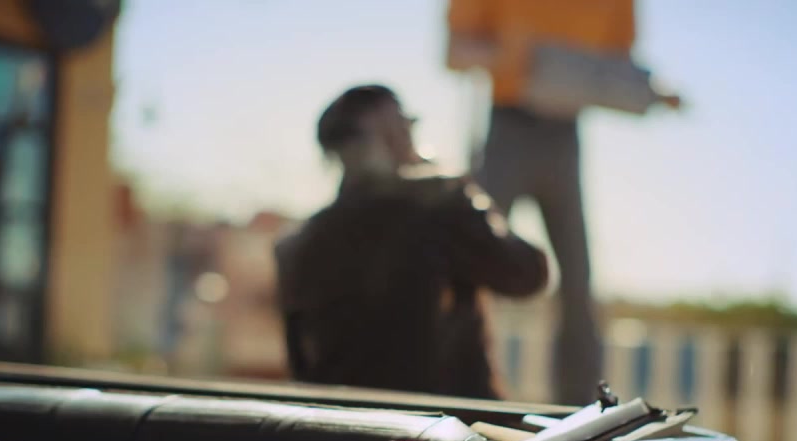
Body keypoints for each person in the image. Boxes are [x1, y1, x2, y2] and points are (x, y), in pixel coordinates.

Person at [446, 0, 683, 405]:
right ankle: (450, 385)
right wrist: (512, 58)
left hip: (564, 135)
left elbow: (615, 69)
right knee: (469, 260)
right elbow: (454, 52)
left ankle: (578, 406)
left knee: (577, 276)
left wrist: (652, 93)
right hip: (508, 124)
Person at [275, 85, 548, 400]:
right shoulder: (441, 206)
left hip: (346, 424)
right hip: (448, 422)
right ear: (392, 138)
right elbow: (529, 274)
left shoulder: (297, 245)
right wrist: (466, 192)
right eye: (406, 127)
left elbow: (302, 370)